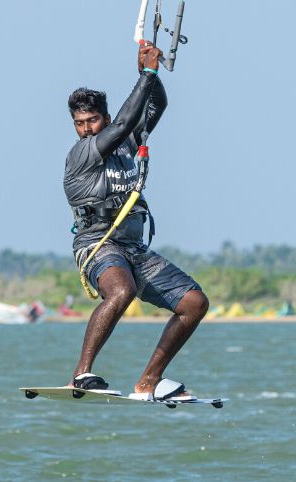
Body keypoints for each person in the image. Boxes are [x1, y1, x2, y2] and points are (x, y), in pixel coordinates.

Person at [62, 42, 209, 401]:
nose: (86, 129)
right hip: (97, 244)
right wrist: (146, 74)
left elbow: (156, 105)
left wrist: (148, 72)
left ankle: (149, 382)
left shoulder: (128, 141)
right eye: (79, 123)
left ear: (105, 119)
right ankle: (81, 374)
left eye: (92, 121)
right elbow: (129, 116)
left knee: (194, 303)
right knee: (121, 291)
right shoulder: (82, 153)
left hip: (134, 247)